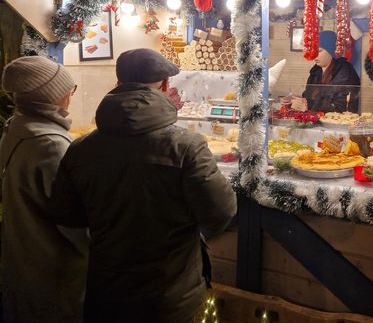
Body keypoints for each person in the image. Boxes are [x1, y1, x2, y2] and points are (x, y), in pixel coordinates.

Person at [51, 49, 237, 323]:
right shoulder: (186, 146)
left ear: (117, 84)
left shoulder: (79, 149)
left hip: (107, 295)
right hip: (172, 297)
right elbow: (221, 212)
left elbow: (68, 215)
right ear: (165, 86)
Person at [0, 56, 88, 323]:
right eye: (68, 90)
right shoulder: (51, 144)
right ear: (51, 95)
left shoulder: (16, 127)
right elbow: (73, 220)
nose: (70, 97)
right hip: (52, 266)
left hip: (21, 259)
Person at [302, 31, 360, 113]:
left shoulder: (345, 72)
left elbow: (342, 107)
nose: (314, 55)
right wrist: (294, 101)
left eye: (319, 51)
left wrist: (307, 105)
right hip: (316, 122)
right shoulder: (315, 71)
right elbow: (307, 96)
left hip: (337, 123)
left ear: (331, 52)